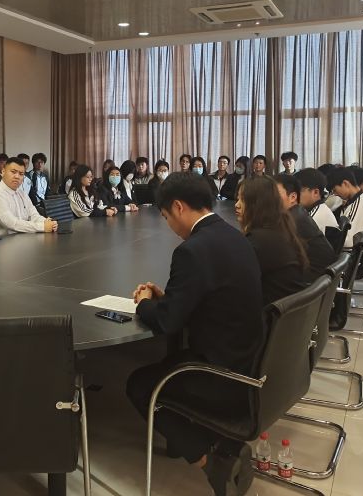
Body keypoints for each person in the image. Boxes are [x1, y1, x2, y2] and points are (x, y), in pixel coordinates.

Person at [127, 172, 263, 496]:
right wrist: (170, 299)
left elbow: (168, 323)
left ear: (178, 206)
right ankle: (221, 445)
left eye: (165, 216)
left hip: (220, 371)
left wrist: (144, 303)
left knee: (139, 386)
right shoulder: (234, 236)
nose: (168, 225)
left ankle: (209, 460)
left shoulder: (192, 250)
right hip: (250, 358)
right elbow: (209, 298)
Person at [236, 177, 310, 304]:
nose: (237, 205)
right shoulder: (281, 230)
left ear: (258, 204)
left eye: (243, 200)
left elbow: (236, 282)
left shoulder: (258, 240)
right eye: (237, 199)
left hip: (272, 312)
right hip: (291, 310)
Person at [275, 175, 337, 278]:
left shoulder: (292, 220)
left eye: (275, 194)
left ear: (293, 197)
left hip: (313, 280)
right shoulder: (298, 212)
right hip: (321, 278)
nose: (269, 198)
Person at [0, 157, 58, 236]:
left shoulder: (21, 192)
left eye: (21, 174)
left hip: (21, 237)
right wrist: (42, 227)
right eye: (13, 172)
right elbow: (12, 224)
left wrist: (47, 222)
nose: (17, 176)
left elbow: (33, 215)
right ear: (3, 172)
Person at [327, 168, 363, 248]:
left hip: (347, 252)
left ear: (345, 183)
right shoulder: (357, 200)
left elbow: (349, 241)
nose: (335, 194)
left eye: (335, 190)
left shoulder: (359, 203)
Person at [295, 168, 339, 235]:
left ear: (315, 192)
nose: (295, 196)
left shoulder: (314, 217)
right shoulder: (319, 209)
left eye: (299, 191)